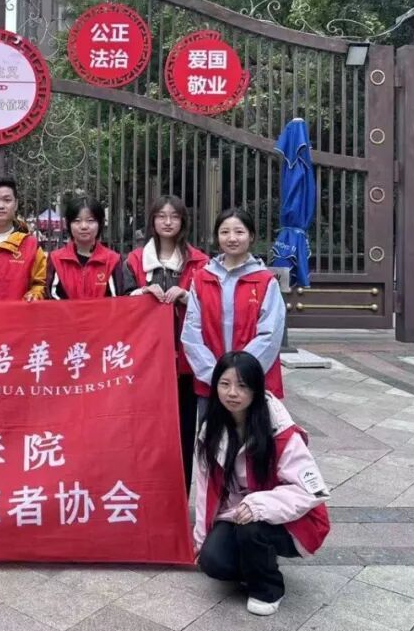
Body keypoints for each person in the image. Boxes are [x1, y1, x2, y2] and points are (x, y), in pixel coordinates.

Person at [194, 351, 330, 616]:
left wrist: (259, 505)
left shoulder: (280, 432)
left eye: (242, 385)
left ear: (256, 389)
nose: (232, 393)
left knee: (252, 529)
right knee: (213, 562)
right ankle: (255, 561)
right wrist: (201, 540)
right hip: (237, 514)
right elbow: (204, 489)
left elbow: (310, 491)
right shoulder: (211, 429)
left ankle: (268, 589)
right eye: (224, 384)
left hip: (292, 518)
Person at [125, 196, 209, 489]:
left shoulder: (199, 262)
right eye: (161, 216)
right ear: (153, 221)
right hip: (145, 363)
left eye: (174, 216)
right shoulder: (135, 261)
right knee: (144, 431)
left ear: (183, 221)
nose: (168, 222)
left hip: (185, 363)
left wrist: (186, 297)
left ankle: (179, 497)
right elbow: (120, 302)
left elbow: (212, 304)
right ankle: (146, 494)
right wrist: (142, 294)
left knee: (183, 431)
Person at [181, 207, 286, 400]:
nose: (232, 238)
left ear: (251, 236)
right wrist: (215, 375)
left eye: (239, 232)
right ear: (217, 237)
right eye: (224, 232)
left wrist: (241, 374)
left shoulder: (265, 281)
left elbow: (270, 335)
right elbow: (191, 333)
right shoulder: (202, 279)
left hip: (252, 382)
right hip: (211, 383)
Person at [45, 195, 125, 299]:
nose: (84, 226)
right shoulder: (56, 259)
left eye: (90, 220)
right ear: (68, 224)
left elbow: (118, 301)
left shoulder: (112, 260)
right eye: (77, 221)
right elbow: (50, 299)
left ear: (100, 223)